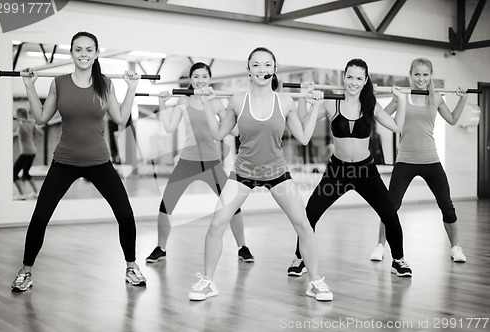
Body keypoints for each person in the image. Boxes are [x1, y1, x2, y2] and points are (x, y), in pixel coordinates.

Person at [188, 47, 333, 302]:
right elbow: (220, 134)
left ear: (274, 69)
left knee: (303, 225)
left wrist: (316, 107)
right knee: (216, 223)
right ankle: (208, 282)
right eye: (256, 65)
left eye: (267, 65)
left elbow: (303, 137)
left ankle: (315, 281)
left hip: (277, 171)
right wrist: (210, 104)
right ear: (248, 69)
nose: (262, 70)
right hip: (244, 171)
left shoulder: (285, 101)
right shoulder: (236, 100)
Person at [10, 31, 147, 292]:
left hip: (99, 161)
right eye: (78, 49)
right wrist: (29, 87)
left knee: (126, 215)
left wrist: (132, 89)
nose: (83, 54)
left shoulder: (105, 84)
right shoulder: (59, 84)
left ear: (96, 53)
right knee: (40, 217)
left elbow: (120, 119)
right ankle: (25, 272)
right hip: (65, 161)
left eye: (88, 49)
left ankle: (131, 267)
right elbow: (40, 118)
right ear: (71, 53)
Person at [288, 58, 413, 278]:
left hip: (366, 172)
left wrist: (401, 100)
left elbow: (397, 126)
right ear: (343, 77)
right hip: (338, 171)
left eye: (358, 78)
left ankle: (398, 260)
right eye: (349, 77)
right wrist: (303, 98)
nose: (353, 82)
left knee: (390, 214)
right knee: (310, 213)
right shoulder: (331, 102)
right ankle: (300, 257)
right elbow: (301, 121)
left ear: (365, 81)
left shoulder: (371, 105)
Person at [145, 62, 254, 264]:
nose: (200, 80)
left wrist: (235, 110)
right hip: (187, 161)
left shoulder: (215, 102)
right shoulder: (183, 101)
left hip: (212, 163)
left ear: (209, 79)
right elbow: (169, 128)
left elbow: (235, 131)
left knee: (232, 205)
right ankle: (161, 248)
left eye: (204, 76)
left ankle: (243, 247)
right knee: (165, 205)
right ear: (190, 79)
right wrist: (162, 103)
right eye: (196, 76)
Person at [370, 58, 468, 263]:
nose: (421, 79)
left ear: (430, 75)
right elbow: (379, 116)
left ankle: (455, 248)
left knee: (447, 206)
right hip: (405, 159)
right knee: (391, 205)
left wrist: (463, 100)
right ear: (410, 75)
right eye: (417, 74)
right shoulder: (401, 97)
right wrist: (372, 96)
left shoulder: (437, 98)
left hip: (431, 159)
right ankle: (380, 245)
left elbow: (452, 120)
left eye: (425, 74)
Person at [13, 107, 43, 200]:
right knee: (26, 173)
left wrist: (35, 125)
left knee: (13, 173)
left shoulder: (25, 124)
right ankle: (36, 193)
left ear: (20, 115)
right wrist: (32, 124)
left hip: (27, 152)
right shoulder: (28, 123)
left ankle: (22, 195)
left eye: (17, 114)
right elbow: (40, 133)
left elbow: (40, 133)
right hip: (32, 152)